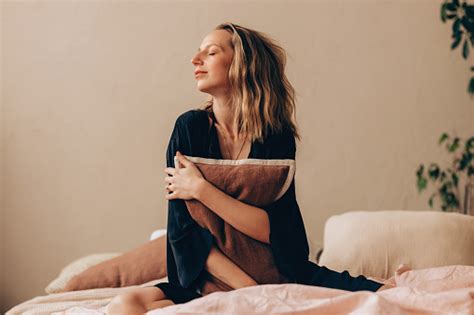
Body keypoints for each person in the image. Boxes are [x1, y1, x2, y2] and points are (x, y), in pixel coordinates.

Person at [106, 22, 395, 315]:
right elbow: (184, 234)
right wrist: (251, 292)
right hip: (210, 277)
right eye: (198, 53)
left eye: (211, 52)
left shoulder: (275, 136)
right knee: (123, 305)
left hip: (278, 271)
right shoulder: (190, 129)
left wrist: (201, 189)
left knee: (390, 294)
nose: (195, 60)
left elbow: (281, 233)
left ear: (242, 65)